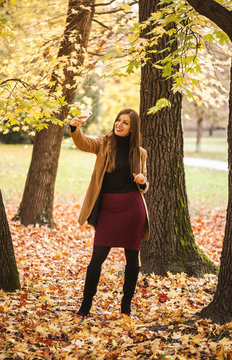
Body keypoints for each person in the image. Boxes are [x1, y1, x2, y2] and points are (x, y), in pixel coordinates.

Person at [69, 108, 150, 317]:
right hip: (108, 210)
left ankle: (126, 306)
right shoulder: (104, 143)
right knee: (96, 259)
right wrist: (74, 127)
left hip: (132, 209)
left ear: (133, 129)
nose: (119, 124)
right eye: (118, 120)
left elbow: (144, 184)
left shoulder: (140, 153)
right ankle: (85, 305)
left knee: (132, 260)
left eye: (125, 123)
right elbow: (83, 143)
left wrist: (142, 182)